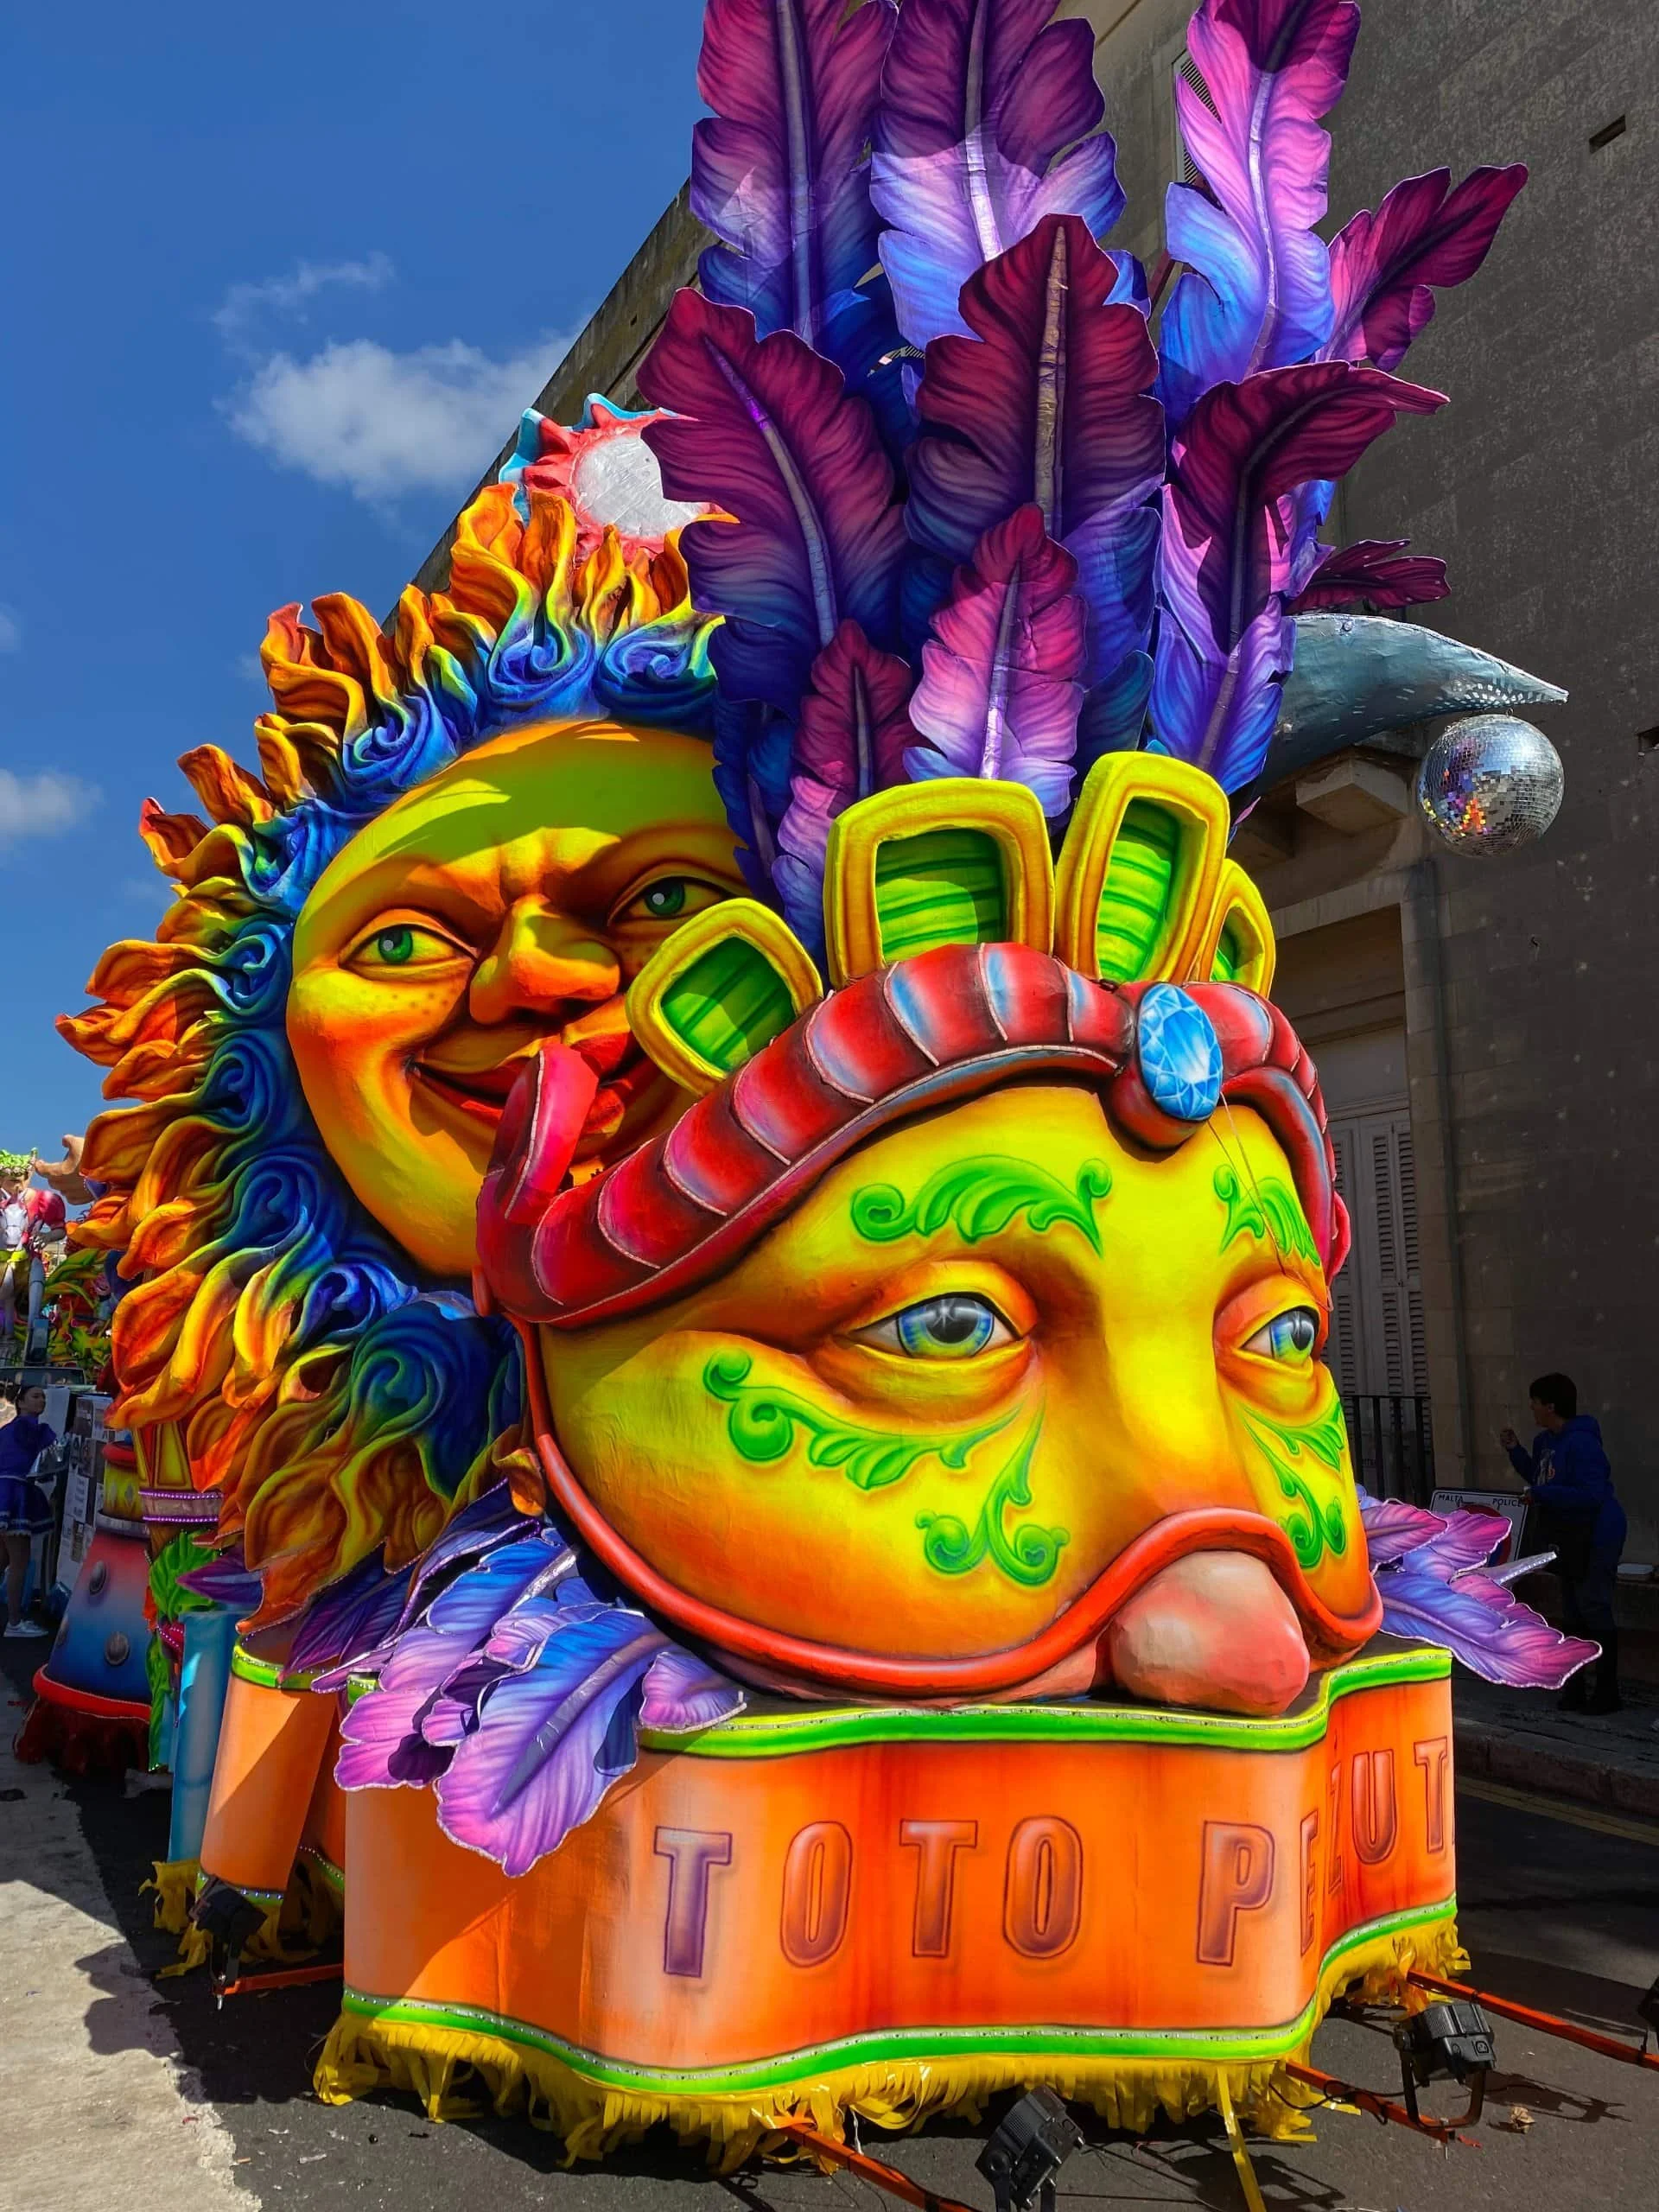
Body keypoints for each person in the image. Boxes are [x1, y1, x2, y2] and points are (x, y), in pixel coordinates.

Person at [1502, 1373, 1626, 1713]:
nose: (1532, 1408)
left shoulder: (1583, 1443)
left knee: (1593, 1606)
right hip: (1567, 1534)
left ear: (1551, 1406)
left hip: (1597, 1533)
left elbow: (1591, 1494)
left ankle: (1606, 1691)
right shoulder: (1545, 1442)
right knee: (1572, 1610)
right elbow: (1539, 1477)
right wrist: (1515, 1452)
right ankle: (1574, 1688)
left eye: (1536, 1402)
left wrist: (1540, 1494)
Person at [0, 1382, 56, 1637]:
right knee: (19, 1561)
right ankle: (14, 1623)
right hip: (13, 1494)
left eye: (43, 1397)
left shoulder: (10, 1429)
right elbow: (50, 1461)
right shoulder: (32, 1429)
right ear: (20, 1402)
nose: (41, 1401)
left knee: (4, 1559)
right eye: (35, 1396)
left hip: (8, 1491)